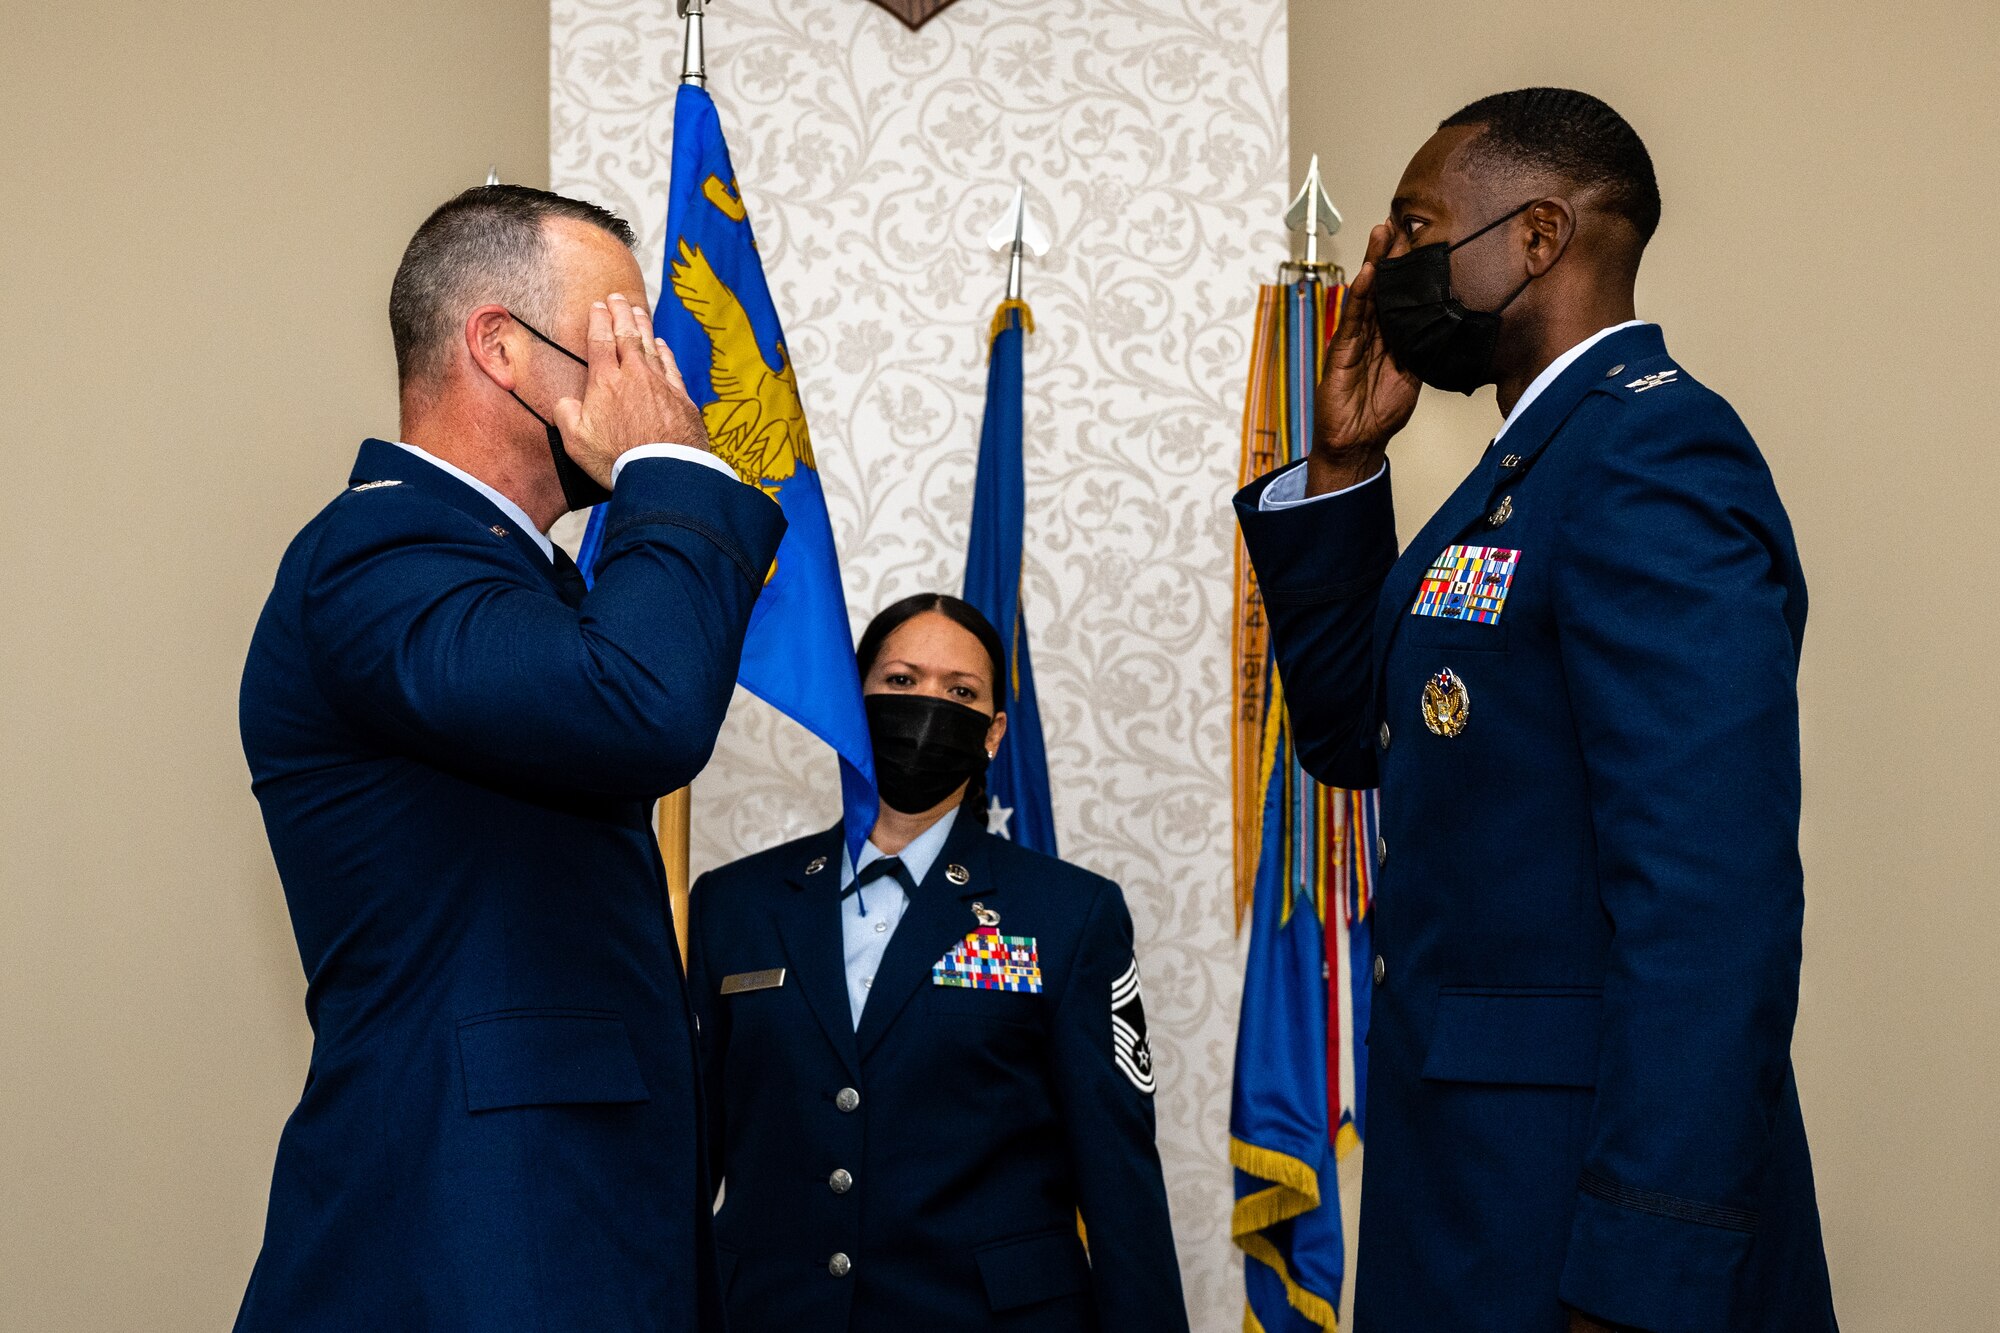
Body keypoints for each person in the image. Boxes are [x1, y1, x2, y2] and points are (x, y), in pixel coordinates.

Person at [1235, 89, 1837, 1332]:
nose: (1381, 267)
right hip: (1470, 1181)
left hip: (1578, 1216)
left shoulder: (1652, 456)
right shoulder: (1526, 469)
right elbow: (1352, 735)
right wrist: (1346, 466)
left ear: (1538, 236)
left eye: (1411, 227)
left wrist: (1643, 1267)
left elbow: (1707, 908)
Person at [235, 185, 784, 1332]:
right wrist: (669, 470)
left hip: (571, 1216)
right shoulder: (377, 553)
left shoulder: (518, 575)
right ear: (498, 347)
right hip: (471, 1232)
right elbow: (643, 705)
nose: (659, 385)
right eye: (619, 342)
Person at [685, 594, 1189, 1333]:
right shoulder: (734, 904)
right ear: (852, 703)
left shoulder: (1068, 915)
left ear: (993, 734)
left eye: (960, 692)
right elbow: (685, 1162)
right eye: (900, 681)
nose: (928, 705)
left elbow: (1120, 1184)